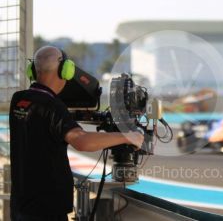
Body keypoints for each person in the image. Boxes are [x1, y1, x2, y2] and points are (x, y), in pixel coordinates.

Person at [9, 46, 144, 221]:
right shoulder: (53, 107)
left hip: (21, 204)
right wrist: (128, 136)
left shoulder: (18, 99)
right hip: (46, 209)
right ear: (66, 71)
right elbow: (81, 141)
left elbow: (42, 125)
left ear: (33, 70)